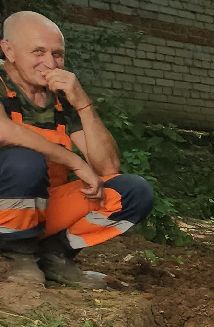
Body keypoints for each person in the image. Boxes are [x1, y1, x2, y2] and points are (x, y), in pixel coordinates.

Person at [0, 11, 153, 289]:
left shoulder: (61, 99)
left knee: (132, 192)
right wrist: (75, 162)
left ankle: (54, 255)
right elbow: (5, 132)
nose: (50, 63)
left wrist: (82, 103)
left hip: (38, 210)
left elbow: (108, 167)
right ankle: (16, 258)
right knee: (24, 160)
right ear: (8, 50)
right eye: (38, 52)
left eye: (57, 54)